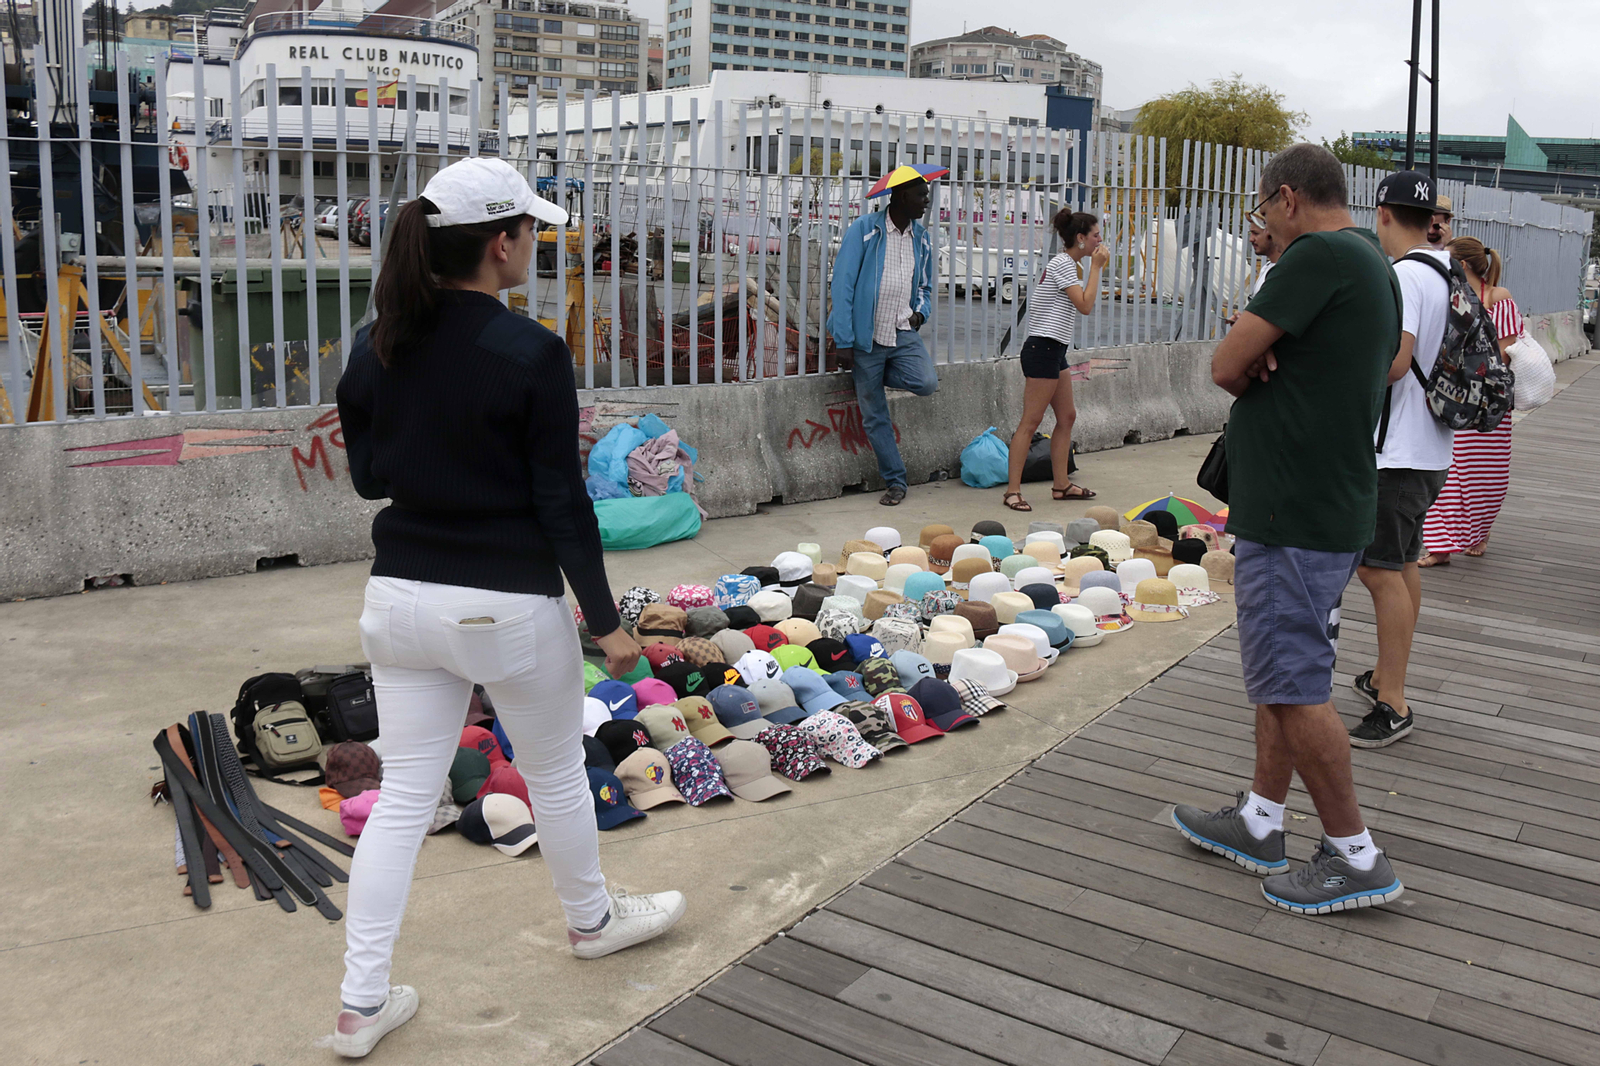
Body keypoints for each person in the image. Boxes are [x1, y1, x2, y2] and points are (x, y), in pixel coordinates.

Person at [332, 158, 685, 1058]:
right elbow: (561, 502)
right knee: (558, 770)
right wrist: (607, 624)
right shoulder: (529, 352)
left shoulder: (377, 341)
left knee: (405, 793)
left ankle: (360, 1004)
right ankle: (592, 919)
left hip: (399, 597)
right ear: (500, 243)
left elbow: (371, 476)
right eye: (531, 231)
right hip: (505, 603)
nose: (536, 243)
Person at [1171, 144, 1406, 915]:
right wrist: (1265, 353)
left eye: (1262, 211)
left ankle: (1354, 854)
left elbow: (1223, 365)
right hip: (1326, 501)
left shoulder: (1314, 257)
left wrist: (1251, 346)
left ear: (1286, 199)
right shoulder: (1370, 260)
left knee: (1297, 685)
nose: (1261, 226)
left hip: (1293, 511)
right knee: (1282, 675)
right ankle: (1260, 820)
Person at [1350, 171, 1454, 750]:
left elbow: (1395, 362)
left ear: (1383, 214)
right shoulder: (1445, 269)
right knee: (1404, 560)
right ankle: (1389, 677)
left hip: (1398, 451)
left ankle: (1394, 701)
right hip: (1434, 446)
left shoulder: (1404, 276)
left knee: (1378, 569)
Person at [829, 169, 940, 507]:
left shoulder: (920, 238)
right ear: (901, 196)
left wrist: (920, 313)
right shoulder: (865, 230)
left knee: (926, 382)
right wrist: (845, 340)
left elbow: (925, 286)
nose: (926, 201)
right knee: (875, 414)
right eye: (921, 195)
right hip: (866, 337)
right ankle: (896, 481)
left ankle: (869, 377)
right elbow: (843, 285)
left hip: (902, 330)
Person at [1000, 209, 1107, 511]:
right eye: (1096, 235)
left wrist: (1091, 267)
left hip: (1055, 350)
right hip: (1042, 349)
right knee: (1030, 422)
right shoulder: (1063, 264)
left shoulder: (1071, 265)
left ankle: (1061, 485)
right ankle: (1012, 492)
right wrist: (1097, 267)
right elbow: (1085, 305)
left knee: (1067, 416)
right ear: (1081, 238)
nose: (1100, 241)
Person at [1419, 237, 1517, 566]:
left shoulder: (1498, 299)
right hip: (1457, 398)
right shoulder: (1451, 298)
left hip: (1487, 402)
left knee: (1486, 476)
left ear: (1461, 266)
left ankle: (1480, 531)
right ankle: (1440, 544)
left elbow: (1505, 352)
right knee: (1449, 472)